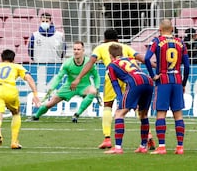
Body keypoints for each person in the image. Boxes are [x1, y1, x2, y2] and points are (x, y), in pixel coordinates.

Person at [70, 29, 155, 150]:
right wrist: (155, 65)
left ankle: (107, 139)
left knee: (108, 105)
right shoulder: (124, 47)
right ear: (117, 39)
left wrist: (79, 77)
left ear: (104, 39)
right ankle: (149, 135)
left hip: (112, 75)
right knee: (138, 107)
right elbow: (140, 57)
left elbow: (90, 62)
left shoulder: (100, 47)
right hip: (131, 77)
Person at [144, 19, 190, 155]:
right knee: (178, 115)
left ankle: (162, 147)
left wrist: (153, 75)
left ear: (160, 28)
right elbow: (187, 66)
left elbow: (147, 59)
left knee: (161, 114)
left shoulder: (157, 41)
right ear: (172, 29)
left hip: (163, 80)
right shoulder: (181, 43)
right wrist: (183, 83)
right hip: (176, 80)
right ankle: (180, 147)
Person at [29, 41, 100, 123]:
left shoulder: (89, 63)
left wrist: (97, 87)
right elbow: (59, 77)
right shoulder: (67, 63)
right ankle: (36, 116)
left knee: (93, 91)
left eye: (78, 49)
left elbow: (96, 76)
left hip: (84, 87)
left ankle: (76, 115)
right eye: (74, 49)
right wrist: (52, 88)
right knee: (50, 104)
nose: (76, 51)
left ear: (83, 50)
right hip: (69, 87)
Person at [0, 49, 40, 149]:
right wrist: (35, 94)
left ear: (1, 58)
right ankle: (14, 142)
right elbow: (29, 78)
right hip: (10, 91)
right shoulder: (16, 66)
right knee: (16, 112)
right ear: (13, 59)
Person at [104, 44, 154, 154]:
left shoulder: (111, 65)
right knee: (143, 115)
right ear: (122, 53)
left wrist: (120, 98)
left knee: (119, 114)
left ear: (110, 55)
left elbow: (115, 84)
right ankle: (143, 146)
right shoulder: (130, 59)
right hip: (148, 81)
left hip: (135, 83)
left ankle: (117, 148)